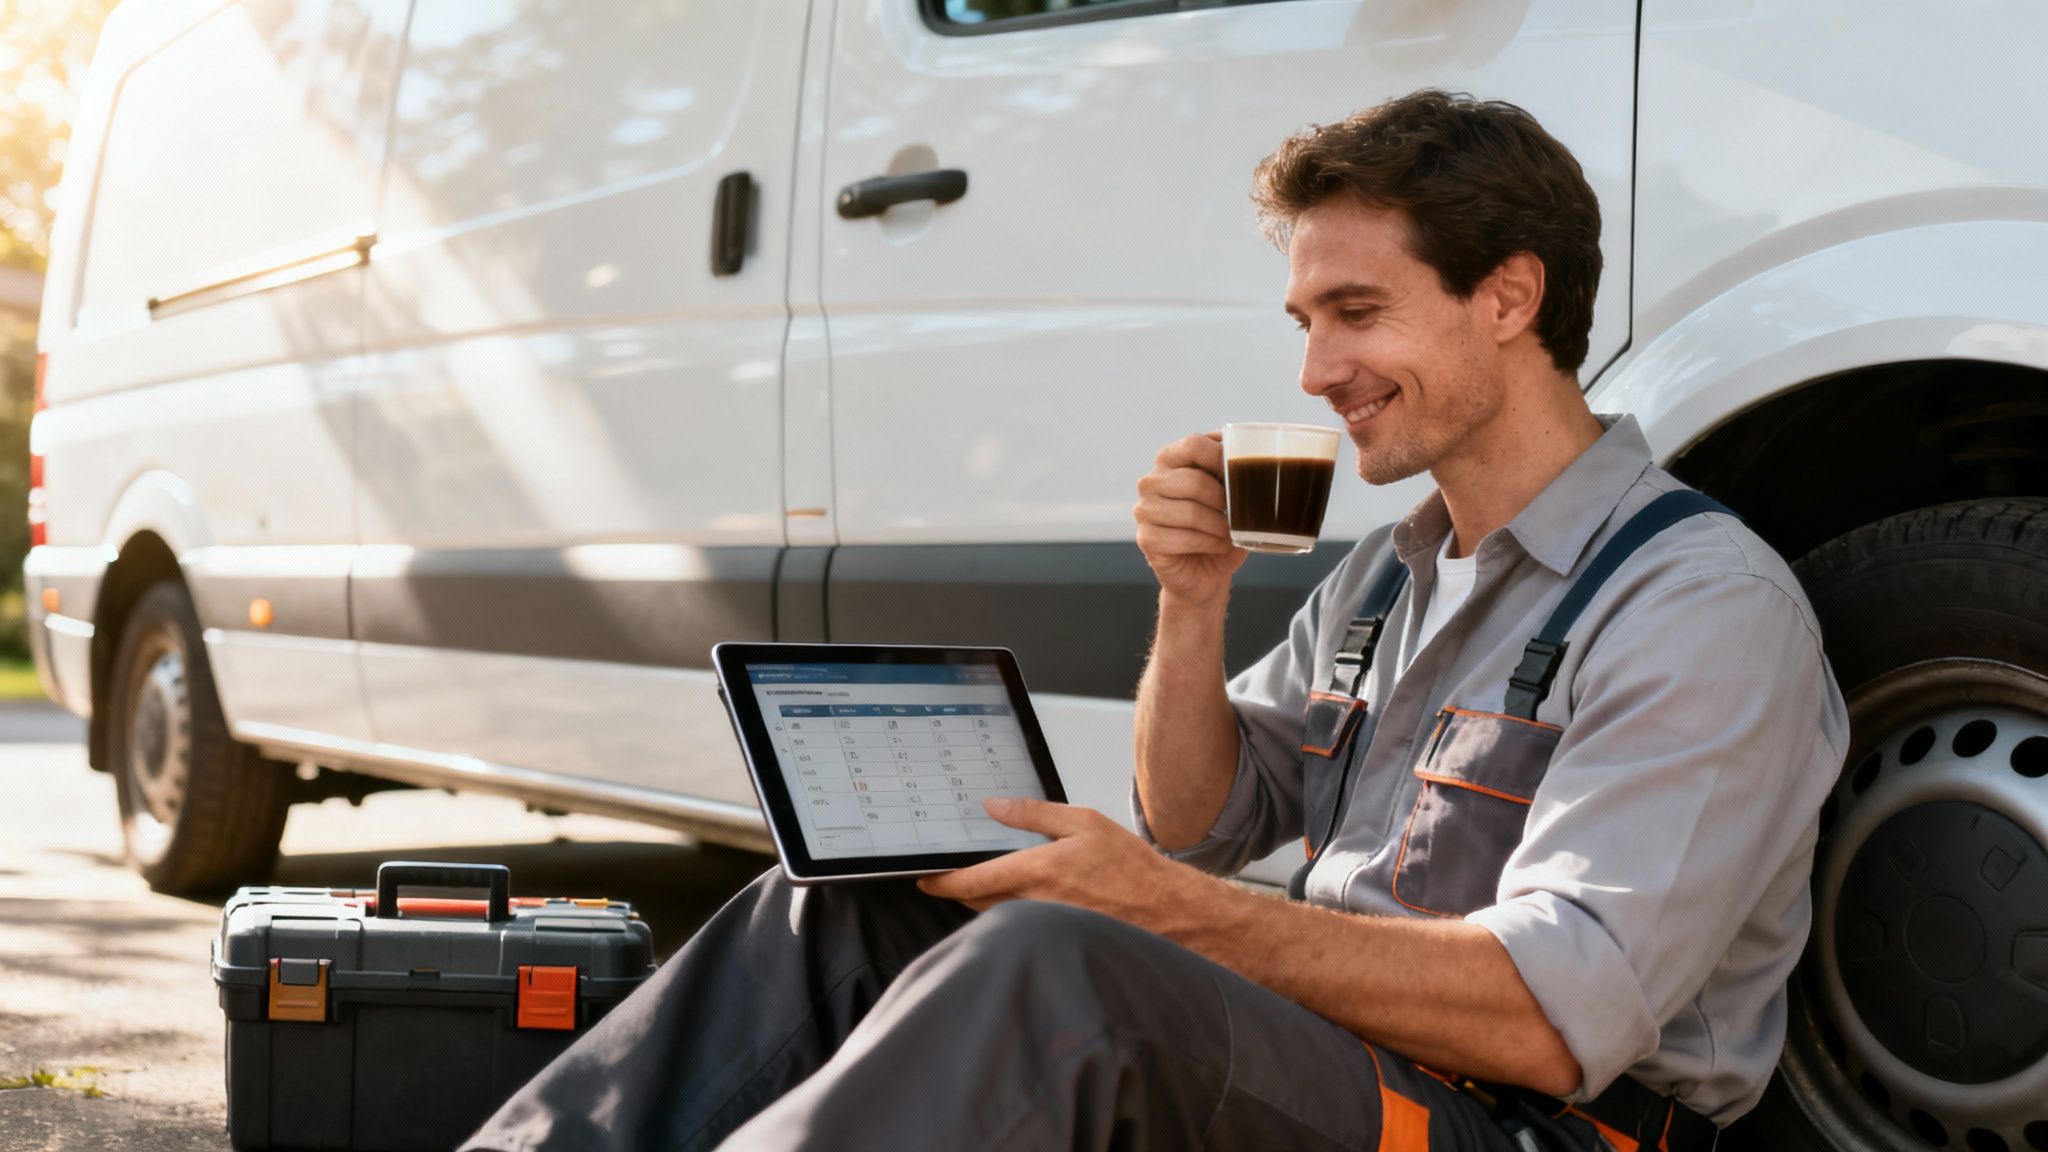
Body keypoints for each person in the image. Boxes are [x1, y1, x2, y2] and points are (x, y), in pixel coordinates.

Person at [461, 90, 1847, 1152]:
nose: (1315, 371)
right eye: (1305, 318)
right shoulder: (1395, 572)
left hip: (1533, 1126)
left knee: (1060, 964)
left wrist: (1157, 911)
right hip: (1342, 1058)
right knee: (848, 904)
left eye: (1356, 312)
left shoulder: (1697, 607)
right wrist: (1193, 604)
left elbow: (1553, 1020)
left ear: (1510, 295)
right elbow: (1200, 819)